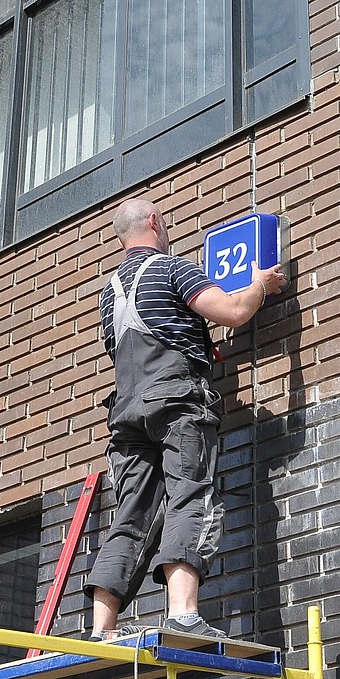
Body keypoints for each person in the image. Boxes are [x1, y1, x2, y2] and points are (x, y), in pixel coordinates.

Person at [85, 197, 286, 642]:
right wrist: (259, 285)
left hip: (127, 415)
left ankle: (102, 628)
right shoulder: (172, 269)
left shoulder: (109, 293)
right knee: (189, 494)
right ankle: (182, 614)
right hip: (177, 404)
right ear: (155, 222)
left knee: (132, 514)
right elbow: (233, 311)